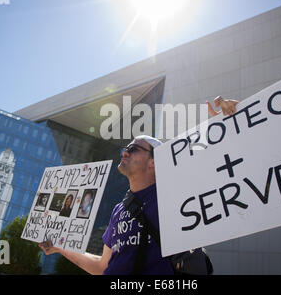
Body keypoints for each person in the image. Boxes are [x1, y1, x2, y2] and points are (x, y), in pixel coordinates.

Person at [39, 96, 239, 275]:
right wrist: (59, 247)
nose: (125, 152)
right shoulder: (119, 209)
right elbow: (102, 267)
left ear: (154, 161)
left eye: (133, 149)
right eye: (126, 148)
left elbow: (218, 172)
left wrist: (227, 123)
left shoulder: (174, 195)